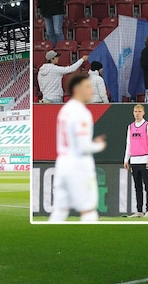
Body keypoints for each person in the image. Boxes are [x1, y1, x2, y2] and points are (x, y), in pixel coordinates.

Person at [49, 73, 107, 222]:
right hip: (78, 165)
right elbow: (83, 146)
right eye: (87, 87)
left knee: (60, 210)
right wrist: (99, 145)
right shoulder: (82, 112)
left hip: (62, 163)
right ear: (77, 89)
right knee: (88, 211)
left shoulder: (64, 110)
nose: (91, 90)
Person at [123, 104, 148, 218]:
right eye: (135, 111)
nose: (137, 114)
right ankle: (139, 210)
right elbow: (129, 143)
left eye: (139, 111)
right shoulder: (130, 127)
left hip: (145, 159)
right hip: (134, 160)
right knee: (137, 187)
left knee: (147, 186)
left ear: (143, 113)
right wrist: (126, 159)